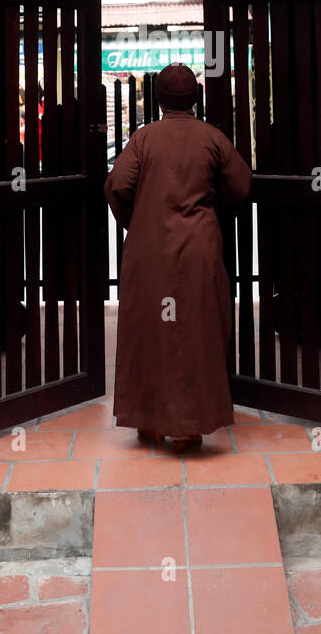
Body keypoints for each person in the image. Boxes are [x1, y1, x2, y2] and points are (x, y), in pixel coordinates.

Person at [104, 63, 252, 452]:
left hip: (149, 251)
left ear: (160, 100)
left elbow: (118, 185)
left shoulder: (143, 138)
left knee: (149, 332)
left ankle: (149, 424)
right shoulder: (212, 138)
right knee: (196, 331)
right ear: (195, 98)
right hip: (198, 250)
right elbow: (240, 185)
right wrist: (213, 213)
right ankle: (189, 428)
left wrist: (136, 223)